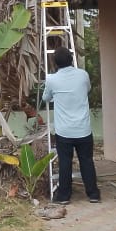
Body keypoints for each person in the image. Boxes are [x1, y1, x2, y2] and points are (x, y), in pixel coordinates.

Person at [42, 45, 100, 204]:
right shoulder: (83, 75)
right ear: (71, 59)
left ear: (55, 63)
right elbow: (87, 89)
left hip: (64, 131)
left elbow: (45, 98)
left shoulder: (52, 79)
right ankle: (93, 194)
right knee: (87, 161)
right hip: (83, 129)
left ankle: (63, 196)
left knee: (65, 164)